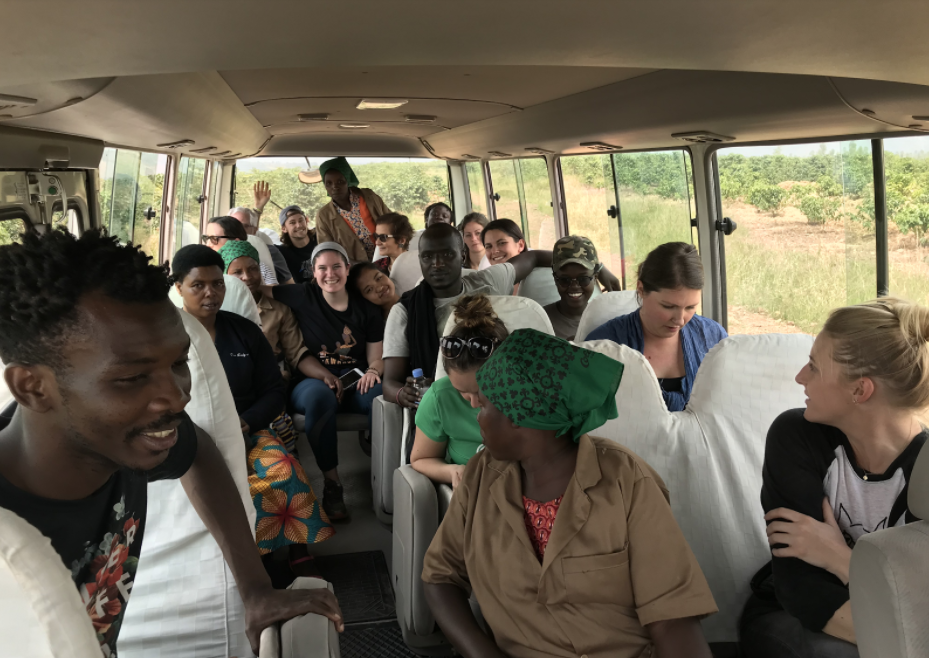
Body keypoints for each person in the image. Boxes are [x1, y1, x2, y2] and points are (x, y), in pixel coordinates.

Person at [0, 229, 342, 657]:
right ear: (32, 388)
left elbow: (196, 449)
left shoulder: (113, 444)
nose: (179, 395)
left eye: (180, 362)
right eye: (131, 378)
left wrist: (255, 587)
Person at [421, 328, 717, 658]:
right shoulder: (480, 475)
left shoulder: (626, 482)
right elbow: (440, 576)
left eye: (486, 406)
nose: (479, 417)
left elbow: (671, 617)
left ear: (521, 417)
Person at [740, 297, 929, 658]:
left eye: (813, 367)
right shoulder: (795, 436)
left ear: (860, 390)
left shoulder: (926, 476)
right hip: (787, 617)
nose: (800, 377)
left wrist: (841, 559)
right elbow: (801, 587)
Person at [172, 245, 333, 574]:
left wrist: (246, 423)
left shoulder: (243, 332)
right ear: (178, 288)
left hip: (249, 428)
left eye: (218, 284)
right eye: (198, 285)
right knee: (226, 488)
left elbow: (273, 392)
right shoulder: (167, 339)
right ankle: (253, 561)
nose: (210, 293)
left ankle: (293, 548)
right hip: (189, 439)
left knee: (283, 472)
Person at [382, 223, 621, 409]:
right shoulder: (405, 311)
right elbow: (390, 383)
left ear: (462, 256)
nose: (437, 263)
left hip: (506, 394)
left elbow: (535, 256)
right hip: (446, 399)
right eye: (427, 257)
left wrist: (598, 268)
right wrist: (404, 394)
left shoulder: (489, 281)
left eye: (447, 255)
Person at [269, 242, 385, 521]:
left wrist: (372, 372)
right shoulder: (302, 295)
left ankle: (384, 478)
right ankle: (332, 484)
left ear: (347, 269)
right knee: (319, 398)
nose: (329, 274)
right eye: (322, 268)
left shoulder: (365, 307)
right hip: (311, 380)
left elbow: (376, 358)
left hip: (355, 381)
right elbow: (255, 287)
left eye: (336, 267)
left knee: (380, 397)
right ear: (313, 271)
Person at [586, 242, 726, 411]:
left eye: (690, 307)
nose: (680, 320)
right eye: (668, 306)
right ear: (641, 289)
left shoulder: (713, 337)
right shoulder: (604, 345)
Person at [411, 294, 507, 489]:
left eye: (482, 391)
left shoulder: (530, 397)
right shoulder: (440, 398)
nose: (473, 404)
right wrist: (452, 471)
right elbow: (421, 458)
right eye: (462, 392)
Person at [315, 157, 390, 263]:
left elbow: (392, 221)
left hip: (387, 258)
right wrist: (358, 268)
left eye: (340, 181)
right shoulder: (324, 216)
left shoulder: (369, 197)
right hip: (355, 269)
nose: (334, 187)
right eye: (329, 183)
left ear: (347, 180)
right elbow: (328, 251)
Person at [544, 235, 601, 341]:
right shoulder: (541, 320)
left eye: (583, 279)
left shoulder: (605, 319)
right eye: (565, 280)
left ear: (595, 277)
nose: (574, 286)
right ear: (555, 279)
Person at [203, 215, 280, 286]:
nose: (208, 244)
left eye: (214, 238)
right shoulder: (203, 270)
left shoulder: (262, 268)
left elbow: (275, 293)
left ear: (236, 242)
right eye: (207, 238)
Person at [277, 204, 318, 284]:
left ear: (306, 221)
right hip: (305, 294)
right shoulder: (281, 252)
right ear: (284, 229)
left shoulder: (320, 237)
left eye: (301, 220)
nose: (298, 225)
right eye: (292, 223)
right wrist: (258, 211)